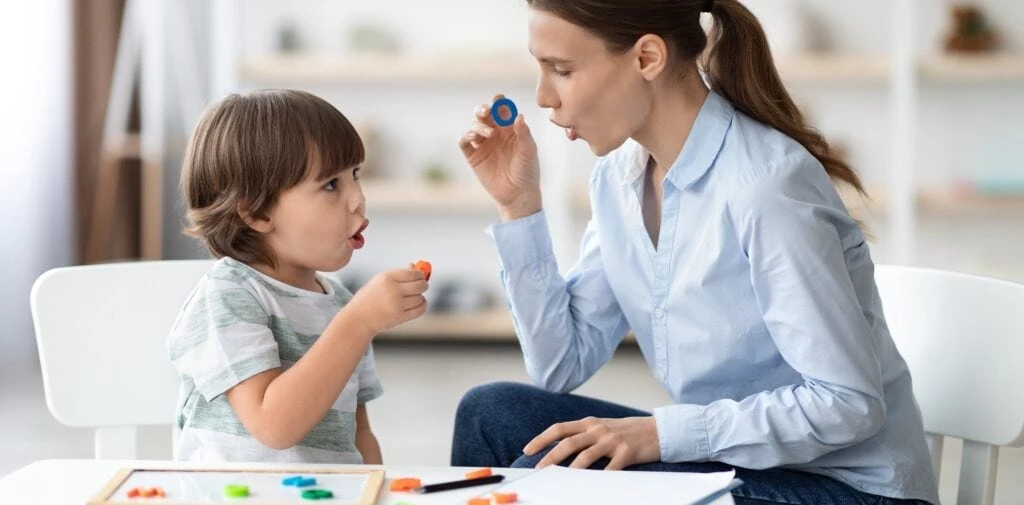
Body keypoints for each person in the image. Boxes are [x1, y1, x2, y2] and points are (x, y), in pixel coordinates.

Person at [451, 1, 938, 503]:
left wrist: (660, 435)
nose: (544, 97)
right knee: (489, 414)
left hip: (847, 487)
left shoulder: (765, 188)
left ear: (646, 58)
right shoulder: (620, 180)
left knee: (553, 472)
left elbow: (848, 404)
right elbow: (560, 364)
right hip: (739, 464)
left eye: (562, 69)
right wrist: (519, 207)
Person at [167, 89, 429, 463]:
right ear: (257, 214)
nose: (358, 198)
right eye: (330, 185)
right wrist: (358, 322)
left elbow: (359, 434)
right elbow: (273, 426)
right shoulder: (228, 295)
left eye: (355, 175)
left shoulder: (340, 302)